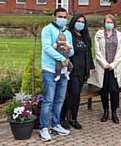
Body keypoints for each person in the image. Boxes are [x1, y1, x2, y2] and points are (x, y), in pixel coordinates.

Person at [39, 7, 74, 142]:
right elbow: (47, 48)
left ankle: (55, 125)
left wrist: (68, 51)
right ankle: (43, 128)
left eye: (65, 17)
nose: (62, 20)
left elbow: (71, 51)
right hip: (50, 70)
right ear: (54, 17)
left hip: (64, 72)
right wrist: (62, 59)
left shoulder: (68, 33)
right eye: (60, 17)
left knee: (59, 99)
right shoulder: (47, 30)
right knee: (48, 100)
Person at [87, 14, 121, 124]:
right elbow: (97, 51)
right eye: (107, 22)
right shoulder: (99, 35)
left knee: (114, 90)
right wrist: (104, 63)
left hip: (114, 67)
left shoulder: (119, 35)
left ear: (114, 23)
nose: (109, 24)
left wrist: (113, 64)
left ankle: (114, 113)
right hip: (102, 67)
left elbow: (120, 52)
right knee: (103, 90)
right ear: (104, 23)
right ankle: (105, 111)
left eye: (111, 22)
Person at [60, 14, 95, 130]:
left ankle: (74, 119)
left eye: (83, 22)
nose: (81, 24)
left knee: (77, 96)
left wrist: (90, 68)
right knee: (73, 93)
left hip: (83, 71)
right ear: (74, 22)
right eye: (78, 21)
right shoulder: (70, 35)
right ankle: (62, 117)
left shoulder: (85, 37)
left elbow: (89, 54)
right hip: (73, 70)